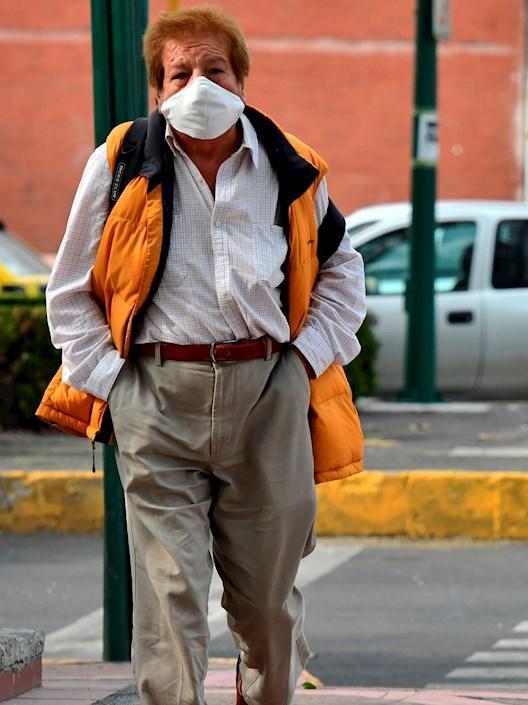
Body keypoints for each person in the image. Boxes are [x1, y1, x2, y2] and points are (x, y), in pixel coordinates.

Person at [38, 6, 366, 705]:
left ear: (242, 78)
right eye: (179, 72)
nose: (198, 84)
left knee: (267, 606)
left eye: (214, 68)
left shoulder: (293, 166)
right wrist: (115, 384)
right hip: (156, 395)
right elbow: (69, 289)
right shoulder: (122, 160)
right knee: (169, 597)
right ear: (158, 89)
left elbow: (342, 271)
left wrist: (302, 362)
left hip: (267, 395)